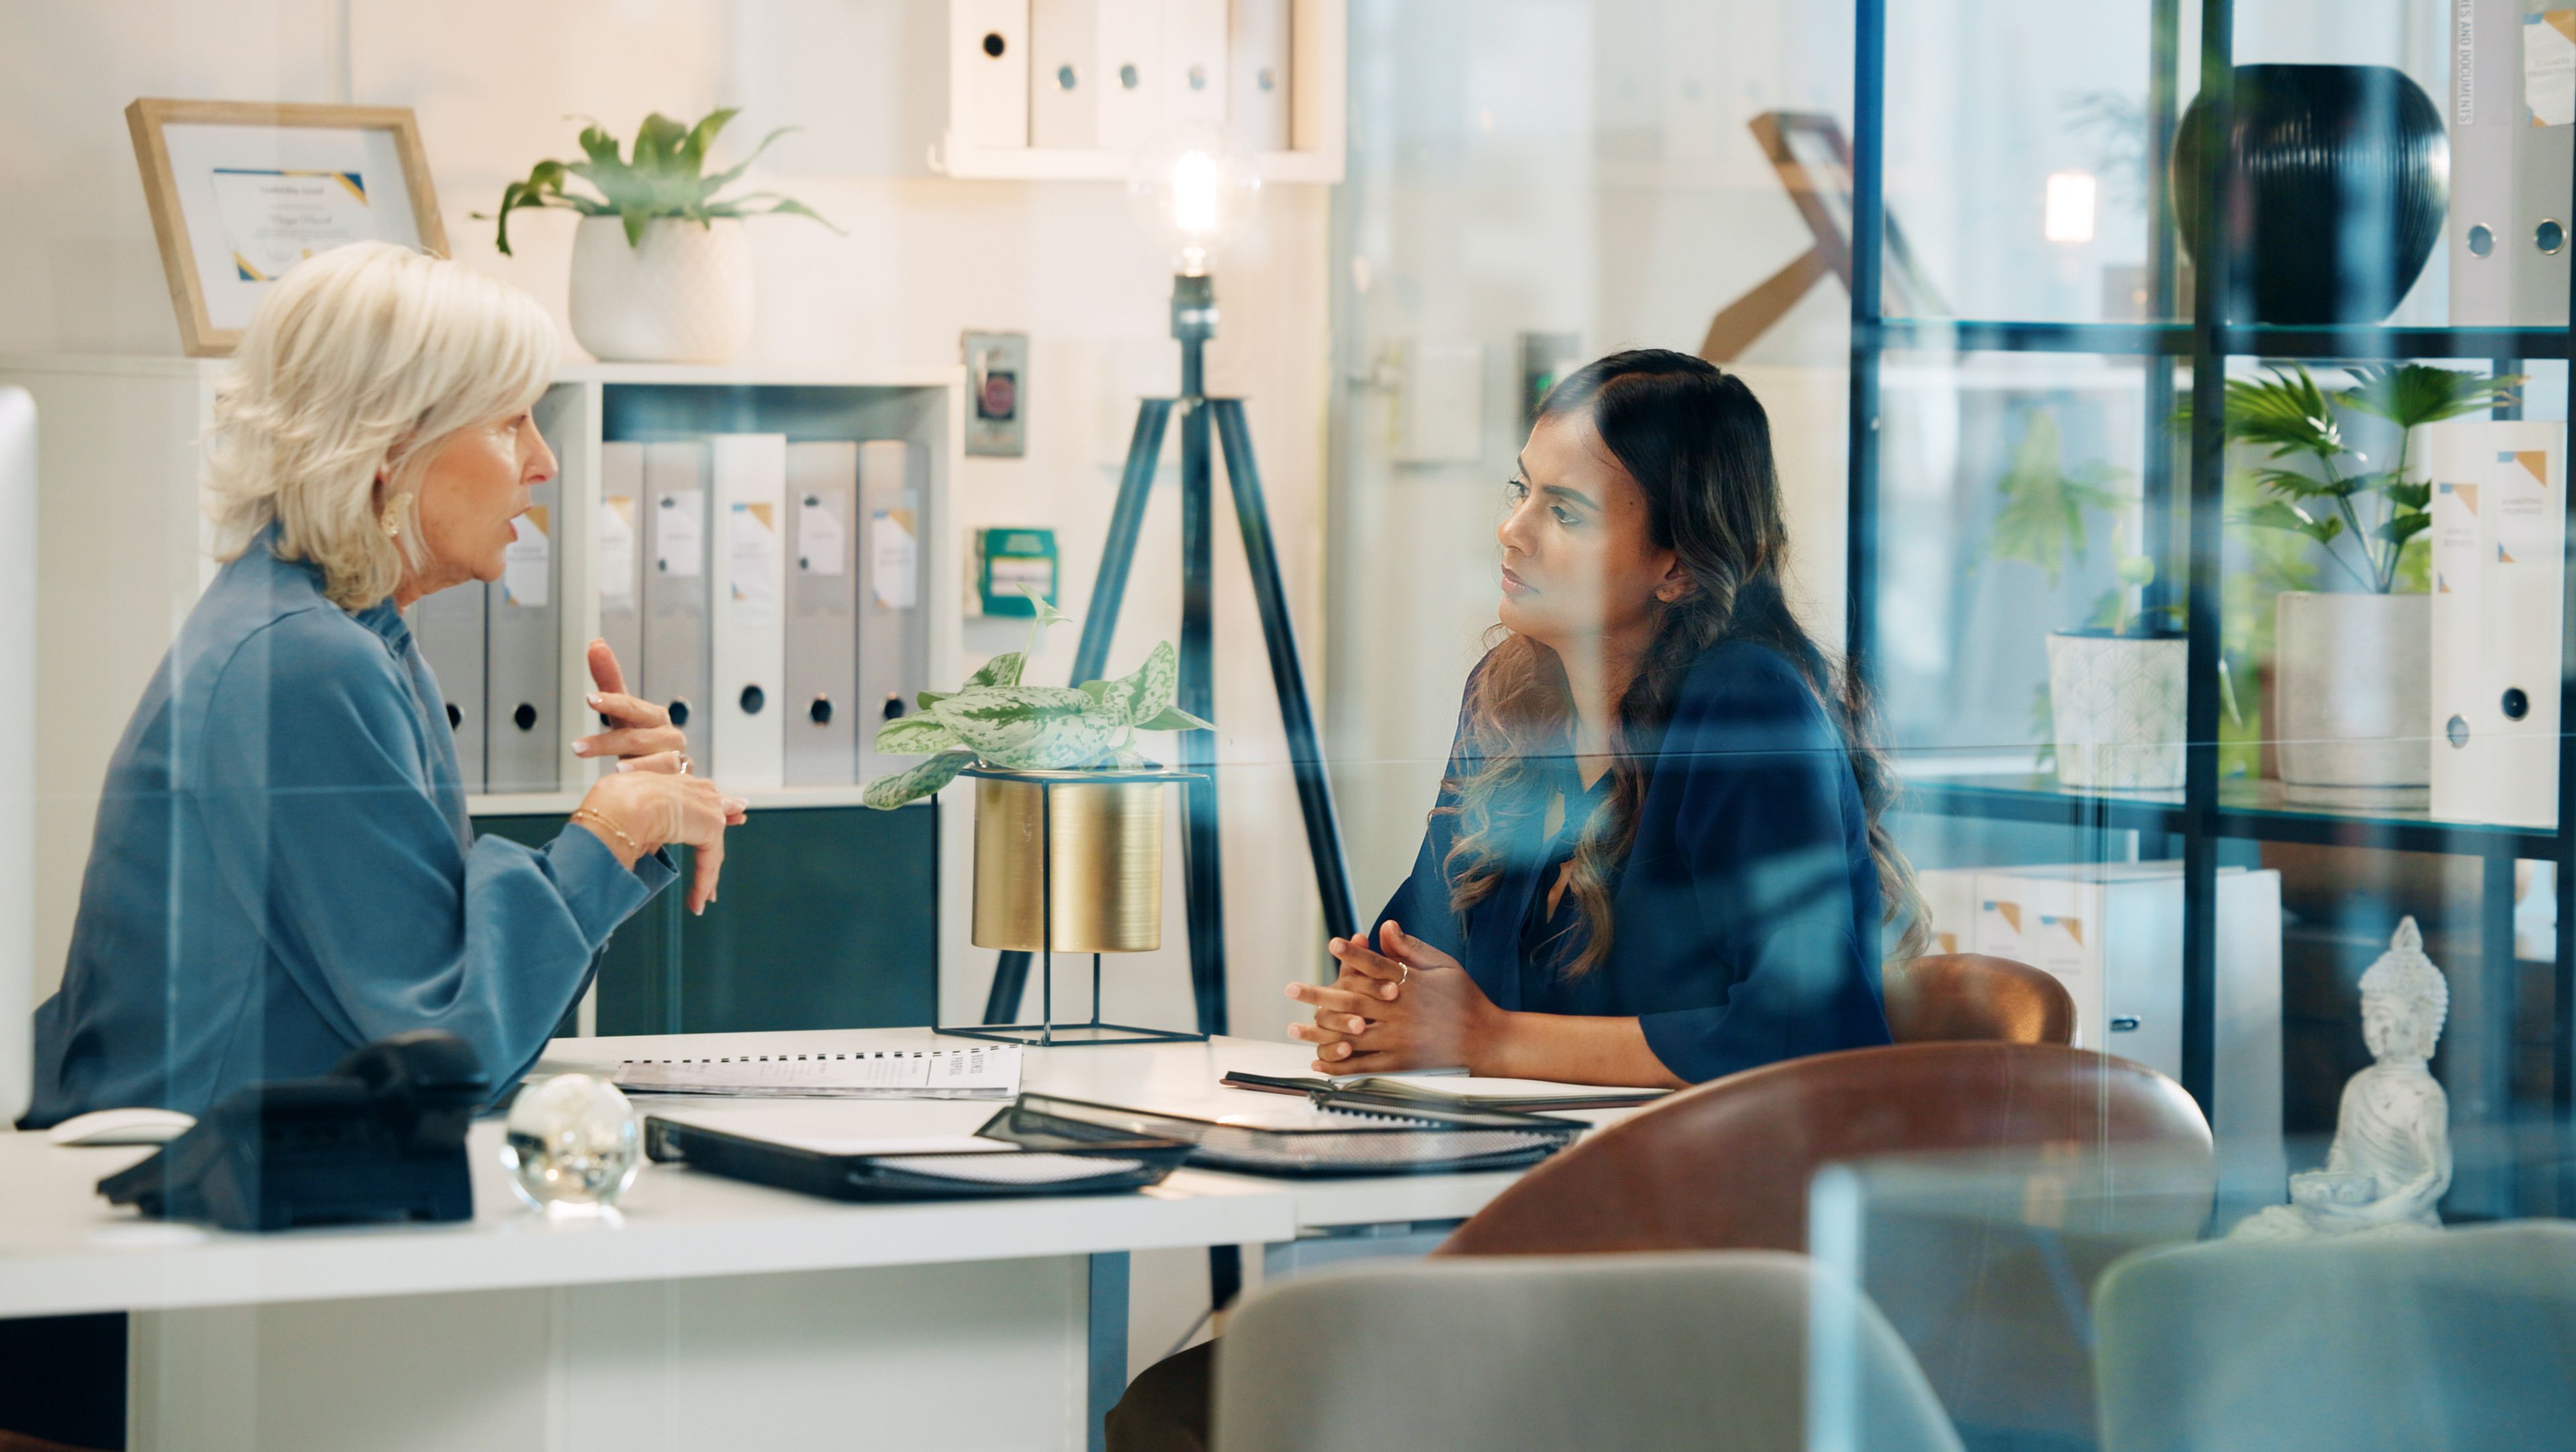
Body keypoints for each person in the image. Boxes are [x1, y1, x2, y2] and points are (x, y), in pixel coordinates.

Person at [1107, 348, 1925, 1450]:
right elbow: (1412, 945)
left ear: (1678, 565)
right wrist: (1378, 1005)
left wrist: (1485, 1039)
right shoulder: (1512, 698)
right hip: (1525, 1227)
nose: (1514, 531)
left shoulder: (1748, 706)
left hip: (1700, 1268)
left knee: (1230, 1398)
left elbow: (1804, 1034)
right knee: (1181, 1398)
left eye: (1568, 509)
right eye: (1519, 491)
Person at [20, 242, 743, 1128]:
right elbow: (446, 1048)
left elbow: (456, 1013)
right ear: (391, 444)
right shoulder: (304, 660)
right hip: (203, 1198)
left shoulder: (342, 633)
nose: (544, 462)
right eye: (510, 421)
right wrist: (614, 827)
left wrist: (625, 825)